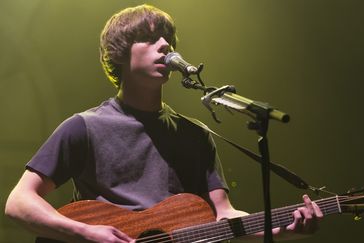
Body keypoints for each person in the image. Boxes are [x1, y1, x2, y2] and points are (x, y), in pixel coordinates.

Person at [5, 4, 322, 243]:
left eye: (168, 39)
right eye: (149, 38)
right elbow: (19, 202)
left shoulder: (196, 134)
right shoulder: (83, 127)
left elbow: (224, 213)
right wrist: (85, 231)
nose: (165, 46)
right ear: (120, 53)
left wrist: (282, 226)